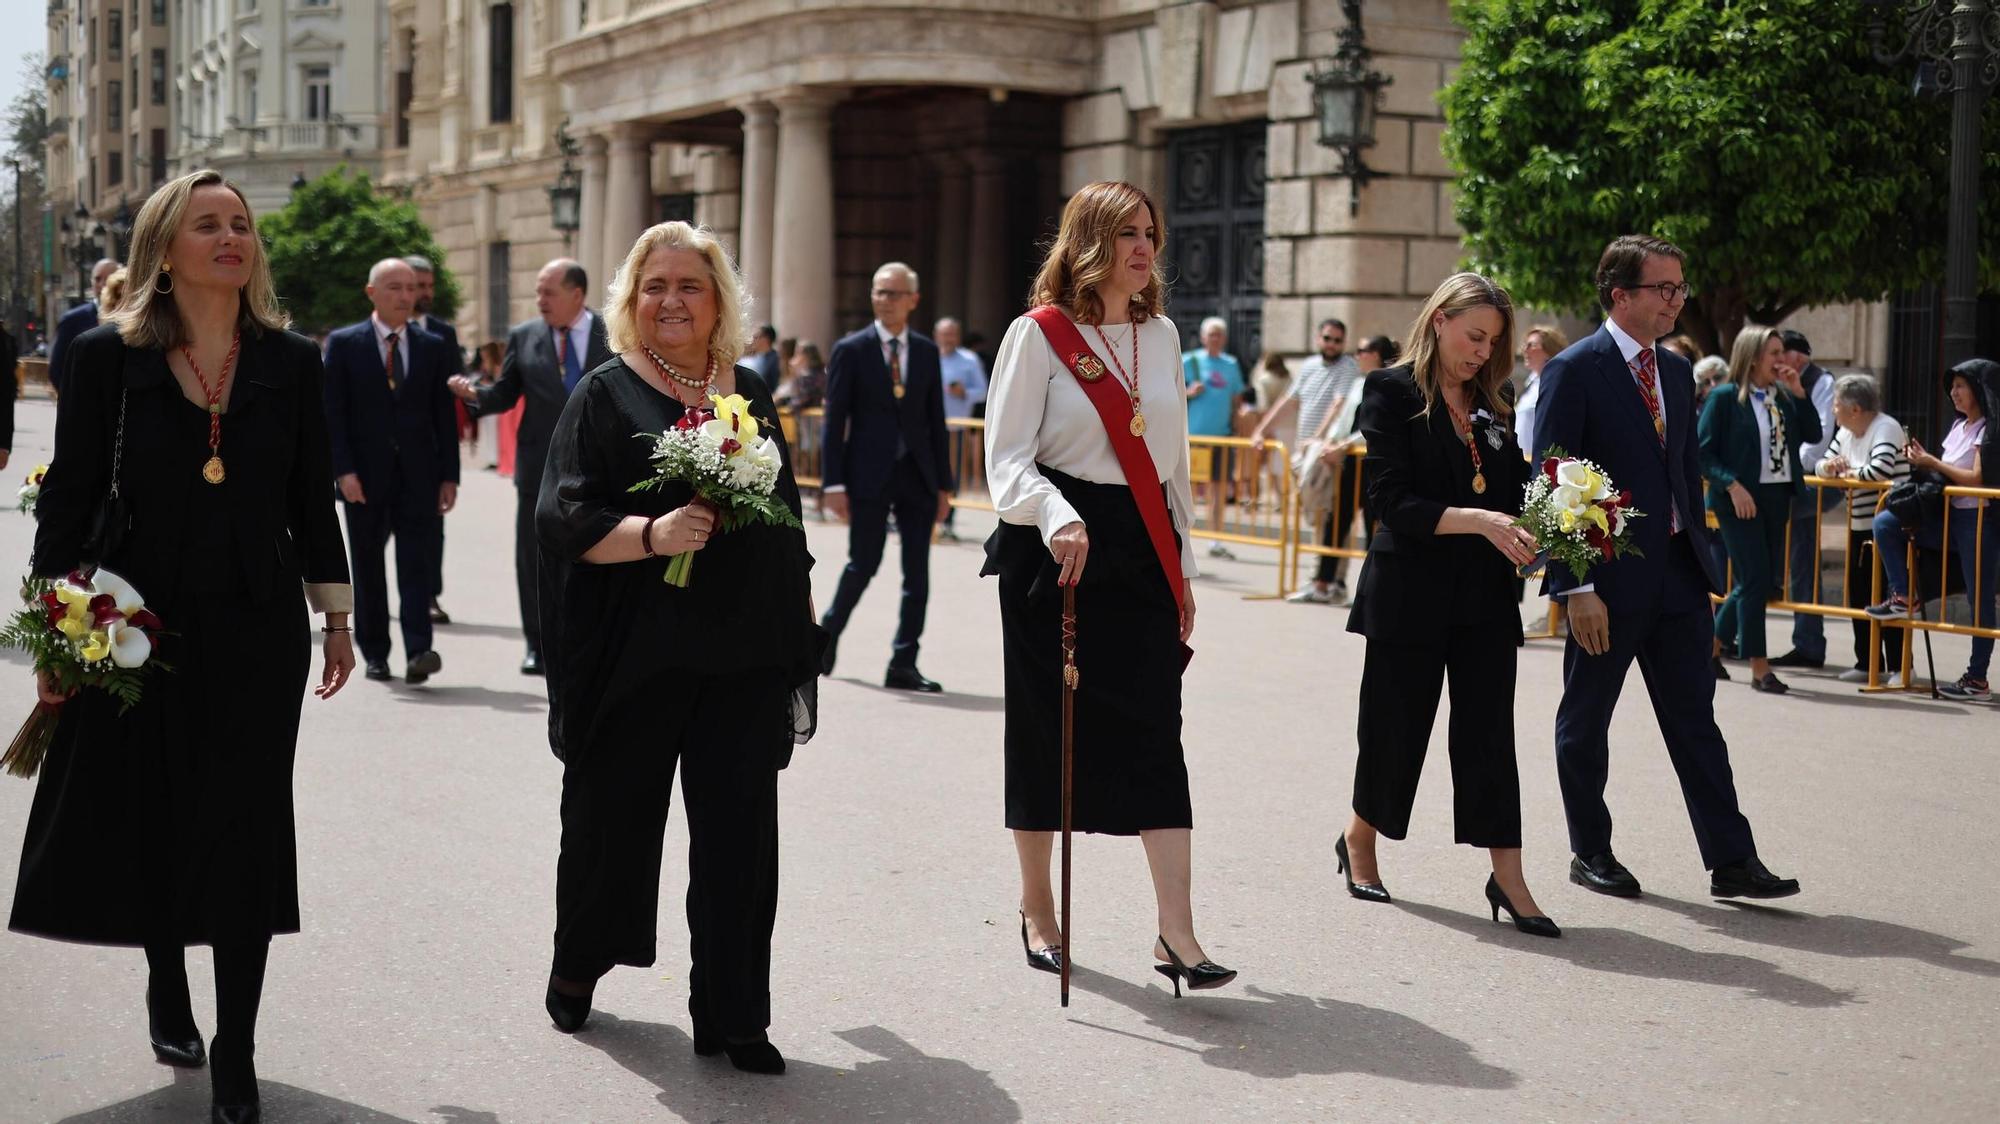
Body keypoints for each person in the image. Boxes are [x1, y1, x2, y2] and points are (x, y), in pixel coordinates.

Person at [11, 168, 355, 1120]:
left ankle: (238, 1049)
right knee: (156, 814)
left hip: (256, 625)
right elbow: (69, 504)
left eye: (240, 224)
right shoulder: (100, 357)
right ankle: (168, 977)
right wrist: (52, 624)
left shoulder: (291, 360)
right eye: (208, 224)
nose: (231, 237)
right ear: (164, 248)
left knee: (245, 828)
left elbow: (310, 495)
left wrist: (336, 615)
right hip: (137, 621)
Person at [536, 220, 815, 1075]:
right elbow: (563, 517)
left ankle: (734, 1016)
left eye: (690, 285)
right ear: (631, 300)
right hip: (636, 653)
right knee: (610, 826)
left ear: (719, 300)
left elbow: (783, 515)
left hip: (740, 653)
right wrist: (656, 534)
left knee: (740, 838)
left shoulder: (753, 391)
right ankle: (579, 965)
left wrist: (795, 626)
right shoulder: (606, 393)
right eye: (654, 285)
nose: (671, 300)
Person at [982, 180, 1234, 997]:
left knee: (1158, 732)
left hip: (1139, 542)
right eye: (1127, 232)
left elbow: (1171, 467)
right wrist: (1055, 513)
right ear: (1088, 239)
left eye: (1151, 234)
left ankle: (1177, 933)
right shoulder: (1038, 336)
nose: (1143, 248)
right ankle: (1036, 906)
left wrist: (1184, 566)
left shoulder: (1160, 335)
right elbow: (1007, 460)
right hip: (1053, 546)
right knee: (1046, 729)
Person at [1535, 234, 1800, 901]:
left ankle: (1732, 860)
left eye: (1681, 288)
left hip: (1680, 578)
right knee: (1587, 718)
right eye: (1665, 289)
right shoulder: (1574, 369)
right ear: (1620, 295)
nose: (1677, 301)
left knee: (1695, 722)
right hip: (1608, 581)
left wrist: (1702, 565)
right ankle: (1590, 849)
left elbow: (1682, 472)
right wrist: (1578, 586)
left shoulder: (1678, 372)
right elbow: (1552, 480)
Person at [1339, 272, 1555, 937]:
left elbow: (1514, 492)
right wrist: (1481, 522)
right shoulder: (1390, 391)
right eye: (1473, 336)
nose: (1482, 353)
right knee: (1395, 728)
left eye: (1492, 342)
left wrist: (1550, 526)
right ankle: (1360, 840)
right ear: (1438, 321)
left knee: (1490, 734)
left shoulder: (1497, 401)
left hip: (1486, 596)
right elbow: (1389, 503)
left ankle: (1509, 876)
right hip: (1410, 591)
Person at [448, 259, 611, 675]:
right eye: (538, 292)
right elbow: (505, 394)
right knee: (534, 558)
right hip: (539, 469)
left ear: (577, 294)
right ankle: (536, 644)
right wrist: (475, 396)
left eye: (548, 292)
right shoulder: (525, 336)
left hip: (600, 468)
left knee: (599, 553)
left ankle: (589, 639)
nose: (540, 300)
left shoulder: (610, 334)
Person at [818, 262, 955, 692]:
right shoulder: (851, 349)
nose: (884, 300)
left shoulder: (927, 350)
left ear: (913, 300)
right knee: (864, 562)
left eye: (894, 294)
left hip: (917, 476)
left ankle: (903, 663)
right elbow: (833, 421)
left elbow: (936, 420)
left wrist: (945, 486)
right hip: (866, 476)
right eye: (879, 292)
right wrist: (833, 484)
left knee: (918, 575)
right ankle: (825, 638)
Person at [322, 259, 460, 685]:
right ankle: (375, 653)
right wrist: (342, 471)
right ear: (372, 293)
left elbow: (444, 416)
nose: (405, 296)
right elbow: (334, 414)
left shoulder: (431, 345)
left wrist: (449, 475)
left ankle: (419, 649)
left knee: (415, 565)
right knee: (367, 568)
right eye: (394, 288)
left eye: (410, 288)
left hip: (419, 475)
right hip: (364, 478)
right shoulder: (345, 344)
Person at [1698, 325, 1821, 693]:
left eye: (1782, 352)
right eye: (1775, 353)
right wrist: (1732, 485)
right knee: (1754, 582)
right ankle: (1759, 667)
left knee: (1756, 582)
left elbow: (1813, 435)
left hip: (1776, 498)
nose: (1782, 360)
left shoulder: (1783, 397)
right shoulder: (1723, 398)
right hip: (1738, 500)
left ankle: (1710, 649)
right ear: (1752, 359)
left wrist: (1800, 394)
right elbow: (1702, 452)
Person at [1866, 360, 1996, 702]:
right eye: (1951, 387)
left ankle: (1977, 678)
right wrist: (1921, 462)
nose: (1953, 393)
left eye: (1960, 386)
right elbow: (1948, 472)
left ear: (1979, 390)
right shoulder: (1958, 427)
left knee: (1978, 599)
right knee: (1886, 523)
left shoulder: (1988, 430)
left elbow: (1977, 479)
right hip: (1949, 515)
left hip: (1977, 520)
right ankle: (1904, 594)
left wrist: (1932, 462)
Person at [1251, 319, 1360, 603]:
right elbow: (1288, 401)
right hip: (1306, 452)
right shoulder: (1309, 366)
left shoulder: (1347, 367)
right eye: (1328, 338)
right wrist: (1260, 429)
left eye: (1338, 340)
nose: (1332, 344)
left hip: (1326, 452)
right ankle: (1329, 578)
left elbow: (1338, 404)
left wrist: (1319, 438)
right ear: (1318, 338)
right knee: (1317, 515)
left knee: (1327, 515)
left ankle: (1326, 579)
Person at [1814, 374, 1909, 684]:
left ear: (1855, 409)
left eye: (1837, 404)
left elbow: (1879, 470)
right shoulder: (1846, 431)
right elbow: (1822, 465)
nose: (1834, 411)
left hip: (1889, 526)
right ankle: (1867, 661)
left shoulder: (1886, 427)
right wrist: (1831, 468)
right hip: (1858, 523)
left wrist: (1847, 473)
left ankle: (1900, 666)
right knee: (1859, 592)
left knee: (1890, 597)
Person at [1767, 330, 1840, 670]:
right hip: (1793, 481)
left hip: (1813, 481)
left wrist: (1786, 470)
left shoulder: (1821, 383)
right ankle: (1808, 642)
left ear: (1796, 356)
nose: (1777, 360)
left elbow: (1819, 439)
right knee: (1802, 559)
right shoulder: (1775, 382)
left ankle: (1807, 641)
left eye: (1780, 353)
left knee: (1780, 546)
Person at [406, 254, 464, 627]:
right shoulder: (361, 337)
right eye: (418, 286)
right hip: (381, 456)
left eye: (429, 286)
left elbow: (449, 408)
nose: (425, 293)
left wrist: (450, 472)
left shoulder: (443, 335)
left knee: (430, 532)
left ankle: (429, 596)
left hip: (427, 455)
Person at [1182, 317, 1245, 557]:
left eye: (1219, 334)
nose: (1215, 338)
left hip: (1222, 437)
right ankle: (1184, 536)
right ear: (1202, 337)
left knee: (1218, 490)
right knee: (1187, 491)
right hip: (1195, 438)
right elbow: (1173, 391)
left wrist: (1240, 420)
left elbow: (1236, 397)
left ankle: (1215, 539)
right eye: (1211, 334)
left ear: (1225, 338)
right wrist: (1189, 392)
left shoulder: (1230, 364)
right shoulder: (1191, 360)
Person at [936, 317, 989, 542]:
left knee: (952, 476)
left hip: (957, 428)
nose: (947, 339)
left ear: (957, 336)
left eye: (951, 334)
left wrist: (964, 393)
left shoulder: (969, 360)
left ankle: (947, 522)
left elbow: (984, 390)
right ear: (936, 336)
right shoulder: (926, 356)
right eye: (943, 334)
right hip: (928, 427)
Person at [49, 257, 120, 395]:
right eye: (97, 279)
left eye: (108, 278)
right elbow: (57, 369)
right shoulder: (72, 320)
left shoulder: (134, 321)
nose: (102, 284)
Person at [1514, 324, 1569, 462]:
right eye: (1525, 345)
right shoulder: (1531, 382)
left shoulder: (1558, 383)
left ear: (1549, 349)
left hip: (1541, 461)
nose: (1524, 350)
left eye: (1531, 345)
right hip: (1523, 460)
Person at [746, 323, 782, 388]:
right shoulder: (757, 358)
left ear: (766, 339)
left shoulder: (776, 359)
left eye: (756, 337)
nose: (753, 340)